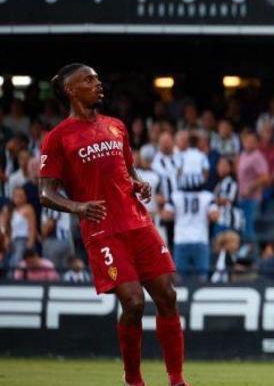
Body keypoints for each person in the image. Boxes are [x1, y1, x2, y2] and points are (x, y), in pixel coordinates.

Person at [39, 63, 187, 386]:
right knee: (134, 303)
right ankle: (133, 379)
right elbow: (46, 193)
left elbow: (127, 173)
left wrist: (139, 183)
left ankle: (176, 379)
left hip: (138, 223)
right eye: (88, 80)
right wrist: (78, 206)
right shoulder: (57, 138)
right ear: (70, 90)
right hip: (103, 230)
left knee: (168, 296)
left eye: (97, 78)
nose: (97, 83)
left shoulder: (116, 126)